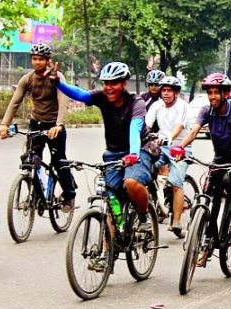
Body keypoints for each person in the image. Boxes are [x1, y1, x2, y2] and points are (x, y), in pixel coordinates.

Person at [53, 62, 156, 240]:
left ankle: (143, 216)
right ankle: (108, 251)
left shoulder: (136, 102)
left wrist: (133, 154)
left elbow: (135, 128)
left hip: (139, 149)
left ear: (124, 84)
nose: (109, 88)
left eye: (114, 83)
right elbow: (81, 94)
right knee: (110, 198)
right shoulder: (101, 97)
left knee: (131, 182)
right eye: (106, 83)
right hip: (113, 153)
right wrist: (58, 83)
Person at [177, 73, 231, 264]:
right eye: (209, 93)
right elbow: (194, 131)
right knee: (208, 197)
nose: (212, 97)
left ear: (225, 93)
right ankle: (206, 243)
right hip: (219, 159)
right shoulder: (206, 111)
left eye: (216, 93)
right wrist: (180, 147)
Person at [0, 43, 76, 212]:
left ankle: (69, 195)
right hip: (36, 123)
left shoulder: (57, 77)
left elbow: (64, 101)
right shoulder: (27, 79)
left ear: (48, 60)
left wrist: (59, 124)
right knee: (31, 160)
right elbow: (15, 102)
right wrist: (4, 124)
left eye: (41, 59)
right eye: (34, 59)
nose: (37, 62)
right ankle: (36, 195)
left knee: (58, 161)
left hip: (54, 125)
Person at [146, 76, 191, 237]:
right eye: (163, 90)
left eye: (169, 91)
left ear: (176, 93)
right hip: (161, 147)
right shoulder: (157, 105)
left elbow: (179, 126)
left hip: (180, 148)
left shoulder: (182, 106)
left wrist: (169, 138)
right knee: (144, 171)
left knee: (176, 183)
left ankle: (177, 221)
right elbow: (147, 124)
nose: (165, 93)